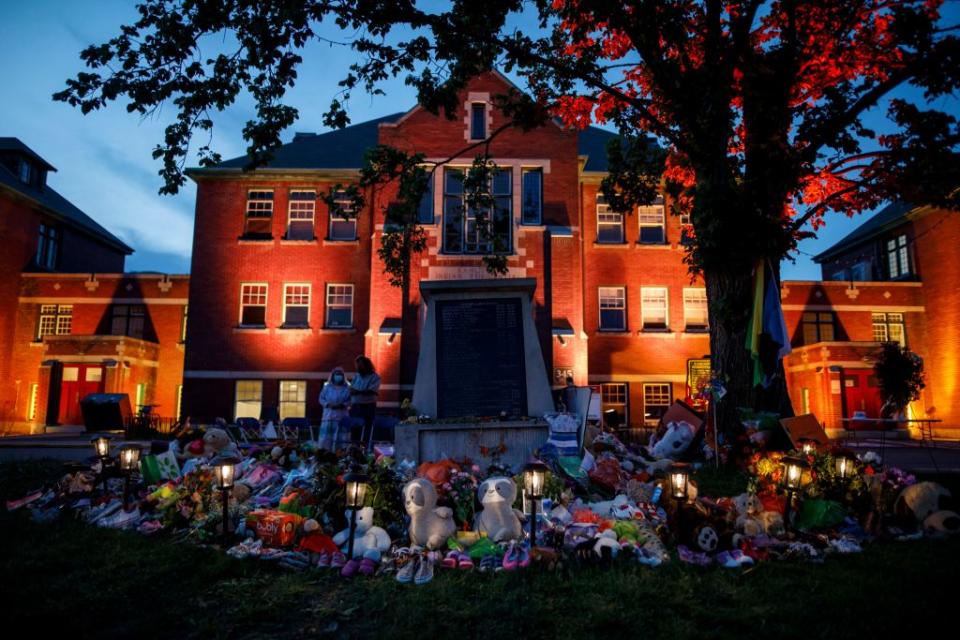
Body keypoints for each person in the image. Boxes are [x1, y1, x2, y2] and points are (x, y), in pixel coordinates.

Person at [349, 355, 381, 445]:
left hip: (368, 406)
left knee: (367, 429)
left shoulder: (375, 377)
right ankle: (354, 448)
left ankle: (365, 448)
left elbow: (371, 391)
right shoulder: (356, 376)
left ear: (366, 365)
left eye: (360, 365)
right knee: (354, 429)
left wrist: (358, 392)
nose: (358, 367)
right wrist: (357, 391)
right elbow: (351, 390)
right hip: (355, 407)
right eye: (357, 365)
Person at [318, 366, 351, 450]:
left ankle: (341, 454)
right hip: (329, 416)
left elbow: (351, 400)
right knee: (327, 438)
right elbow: (321, 398)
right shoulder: (327, 387)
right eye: (336, 374)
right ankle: (325, 453)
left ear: (343, 376)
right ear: (333, 376)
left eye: (340, 374)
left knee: (342, 438)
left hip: (342, 416)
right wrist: (328, 404)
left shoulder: (347, 388)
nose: (338, 376)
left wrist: (343, 405)